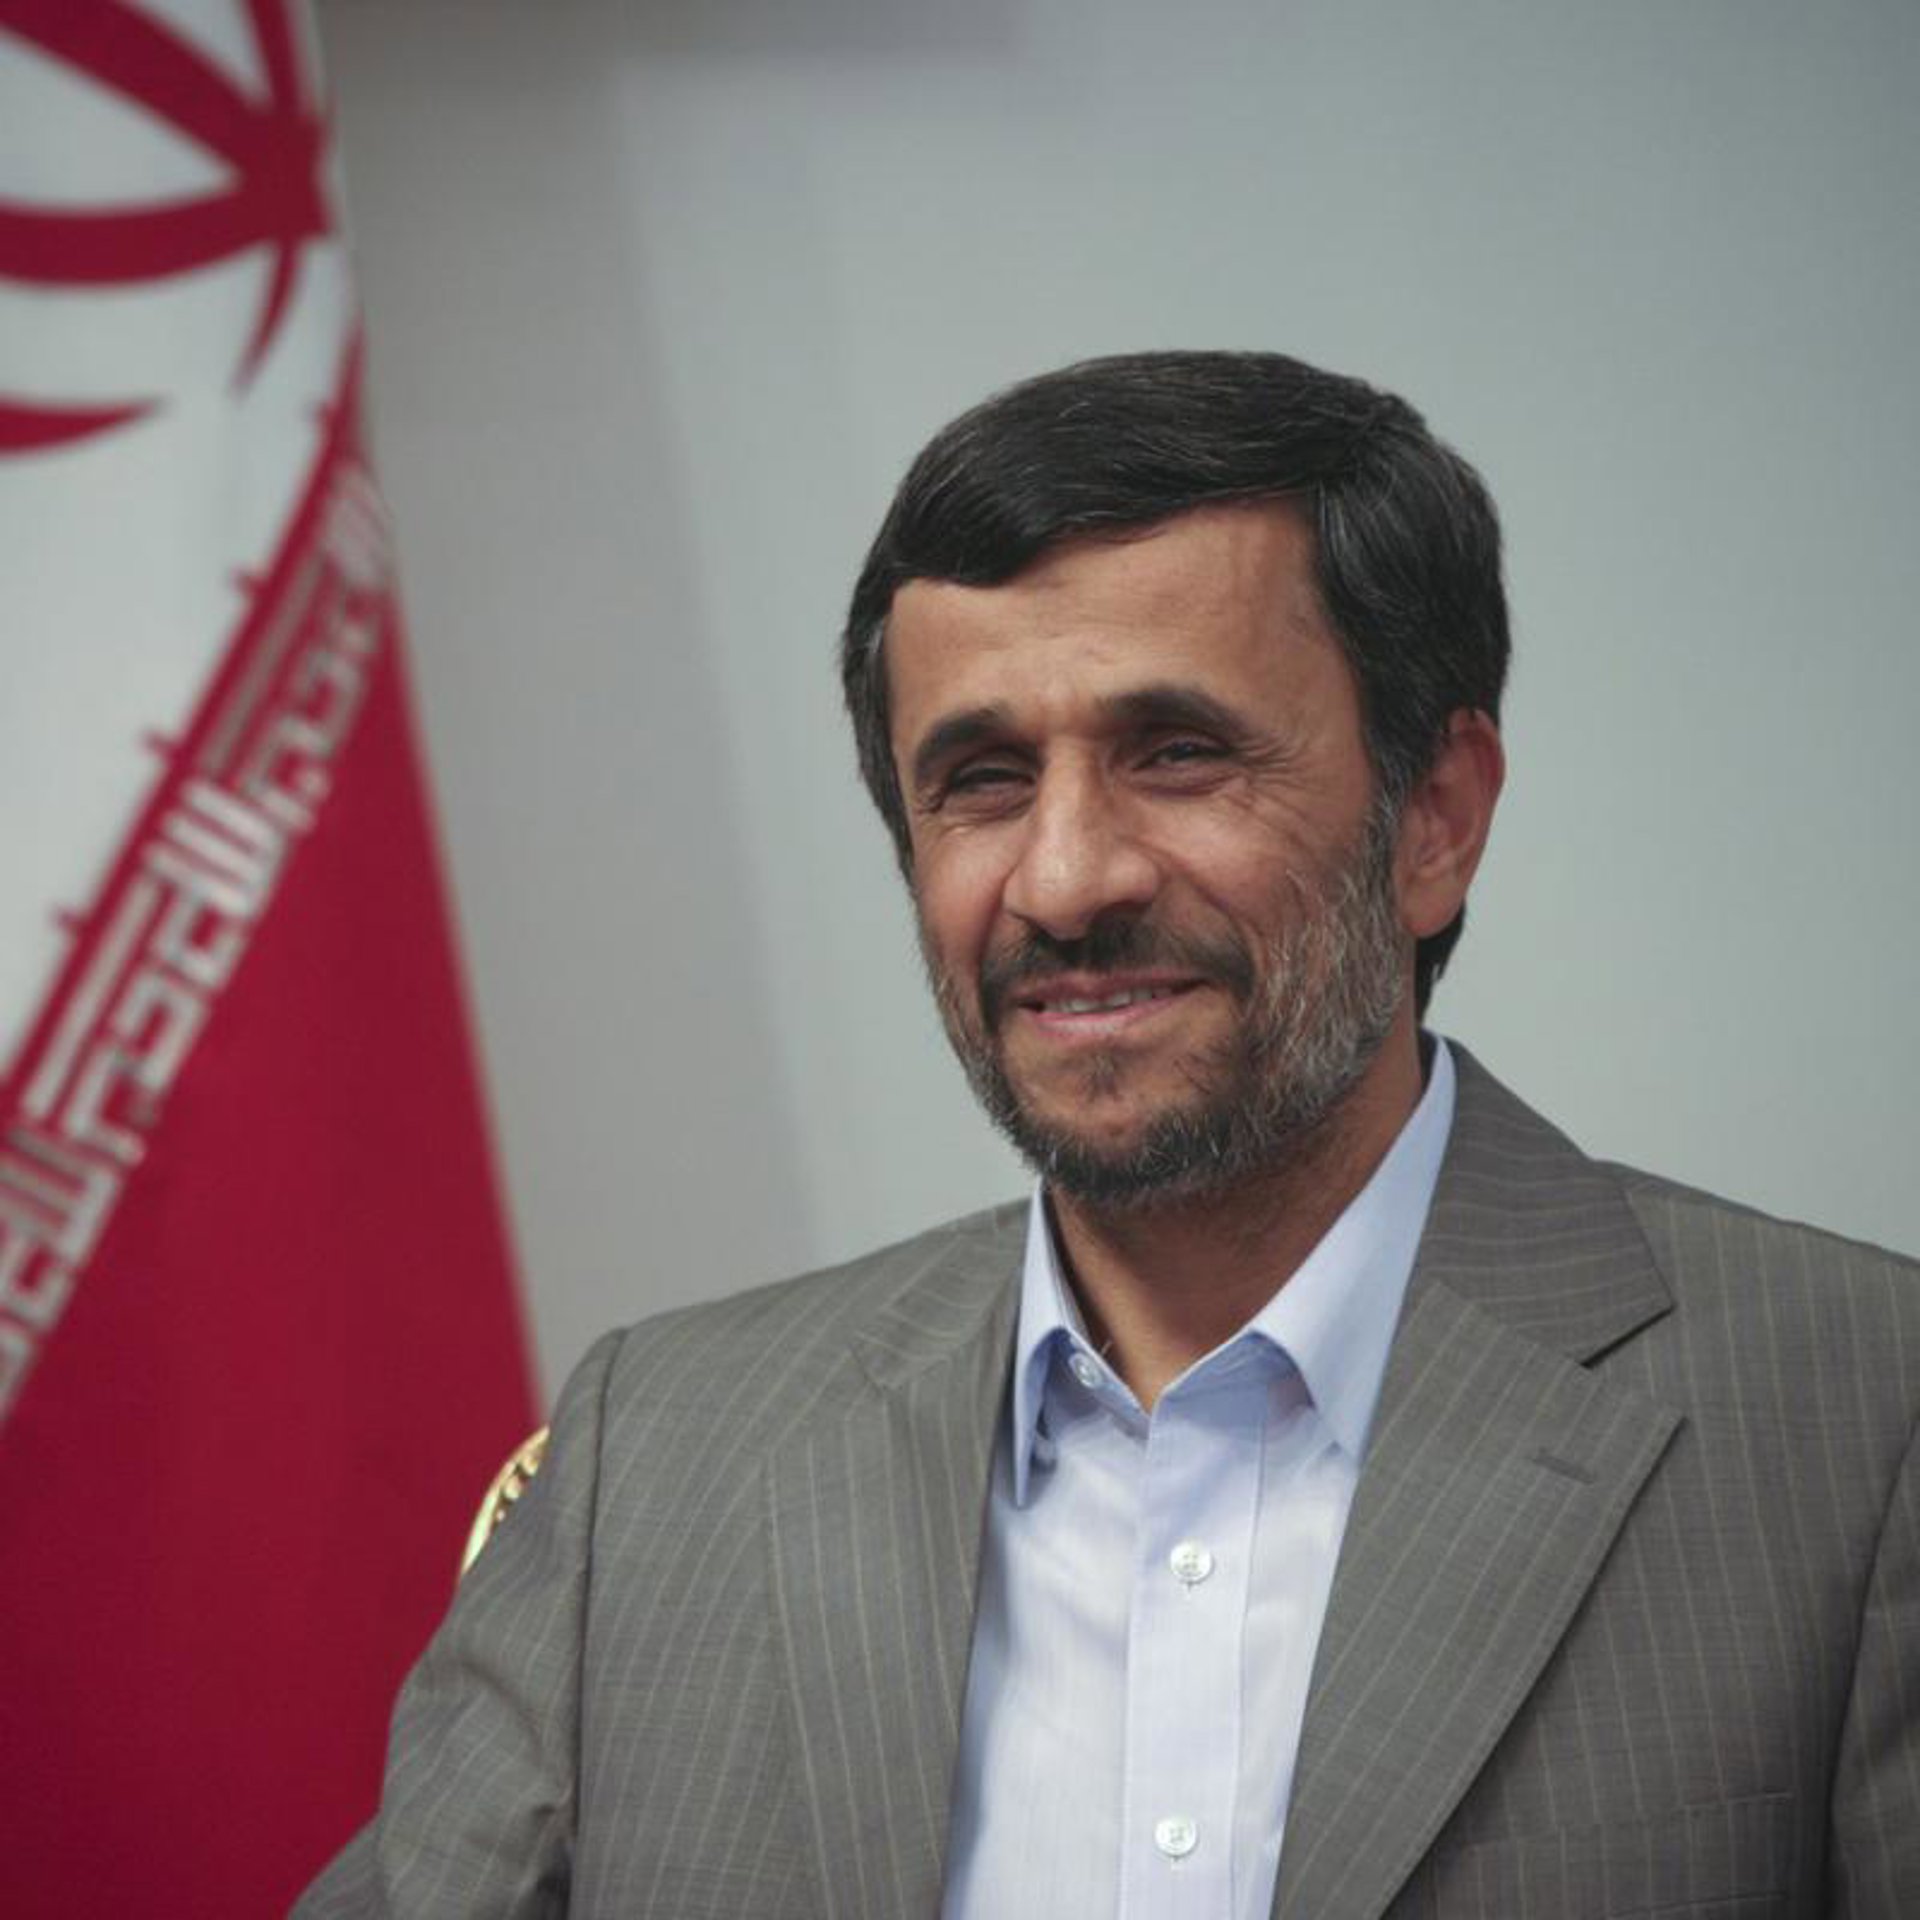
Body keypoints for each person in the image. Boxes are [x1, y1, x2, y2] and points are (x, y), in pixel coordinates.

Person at [299, 353, 1919, 1919]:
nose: (1068, 881)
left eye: (1180, 754)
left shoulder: (1864, 1423)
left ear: (1437, 818)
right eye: (983, 780)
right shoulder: (655, 1462)